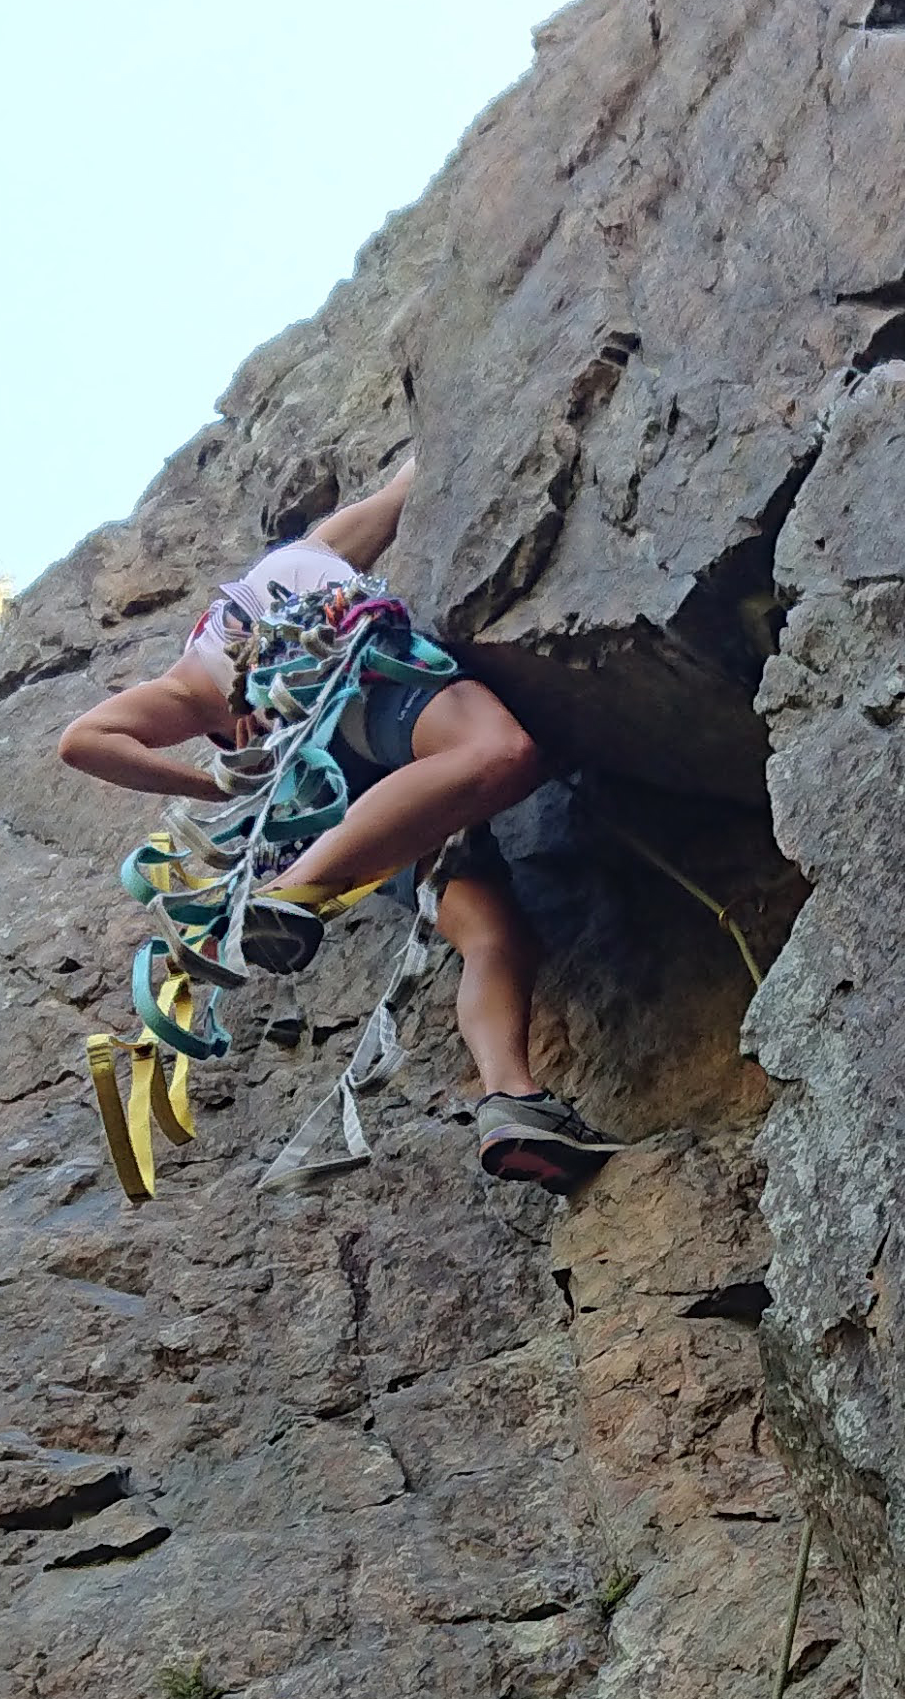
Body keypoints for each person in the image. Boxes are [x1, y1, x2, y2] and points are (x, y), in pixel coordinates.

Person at [58, 456, 618, 1193]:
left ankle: (511, 1099)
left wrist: (224, 777)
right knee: (500, 752)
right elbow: (419, 473)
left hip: (342, 810)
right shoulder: (300, 566)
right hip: (360, 690)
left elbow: (89, 739)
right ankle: (294, 889)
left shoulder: (198, 674)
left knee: (493, 934)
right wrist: (218, 780)